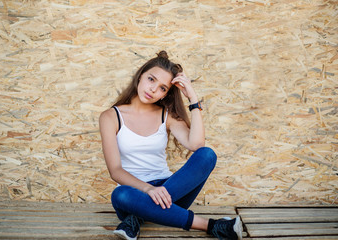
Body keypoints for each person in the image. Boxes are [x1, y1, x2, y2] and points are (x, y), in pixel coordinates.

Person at [99, 51, 243, 240]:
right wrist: (149, 190)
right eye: (151, 79)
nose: (153, 90)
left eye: (162, 88)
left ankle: (136, 220)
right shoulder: (110, 117)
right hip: (135, 194)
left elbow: (197, 144)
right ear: (140, 75)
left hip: (170, 191)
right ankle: (212, 225)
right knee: (120, 195)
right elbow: (116, 171)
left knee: (207, 155)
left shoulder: (166, 115)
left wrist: (192, 98)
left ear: (166, 93)